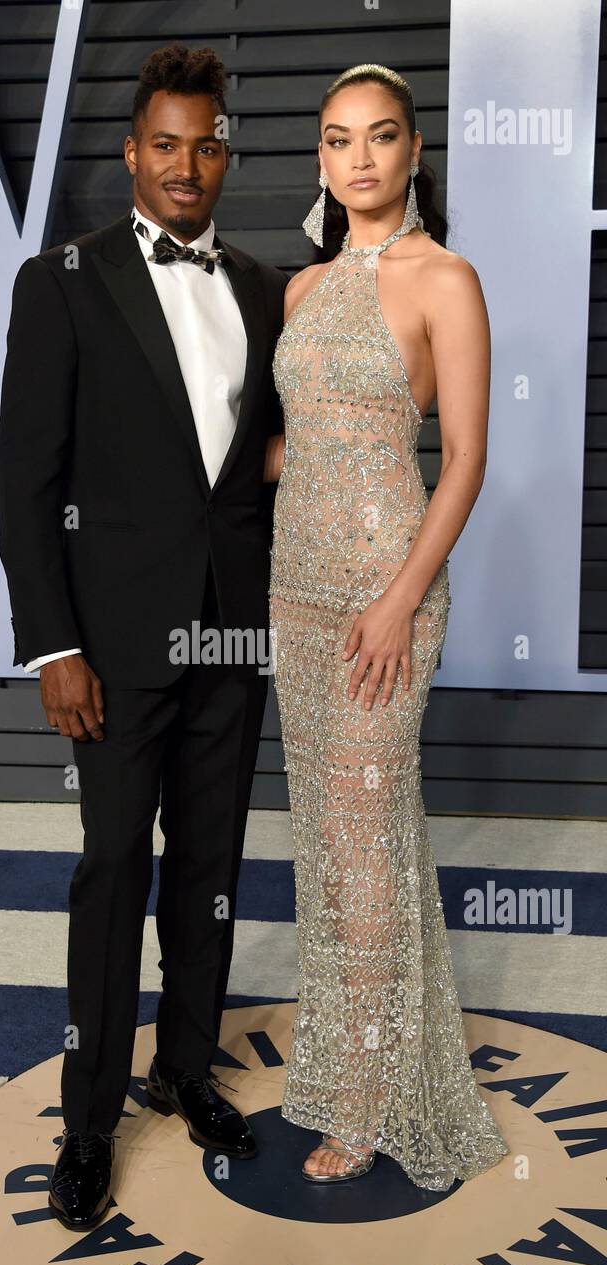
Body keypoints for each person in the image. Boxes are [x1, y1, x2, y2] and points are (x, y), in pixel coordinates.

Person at [0, 43, 287, 1229]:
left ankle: (182, 1067)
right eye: (165, 145)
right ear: (132, 153)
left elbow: (252, 461)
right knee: (115, 869)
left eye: (206, 144)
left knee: (211, 867)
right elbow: (26, 477)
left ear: (226, 154)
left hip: (233, 636)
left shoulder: (265, 286)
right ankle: (90, 1116)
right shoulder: (62, 279)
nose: (186, 164)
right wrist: (52, 645)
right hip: (111, 647)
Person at [264, 63, 510, 1189]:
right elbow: (296, 446)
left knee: (365, 846)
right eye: (335, 140)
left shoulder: (445, 279)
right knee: (334, 842)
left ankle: (371, 1103)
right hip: (295, 592)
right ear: (320, 160)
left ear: (414, 153)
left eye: (380, 137)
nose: (357, 158)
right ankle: (362, 1061)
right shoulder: (302, 292)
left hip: (386, 592)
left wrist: (402, 596)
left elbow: (463, 461)